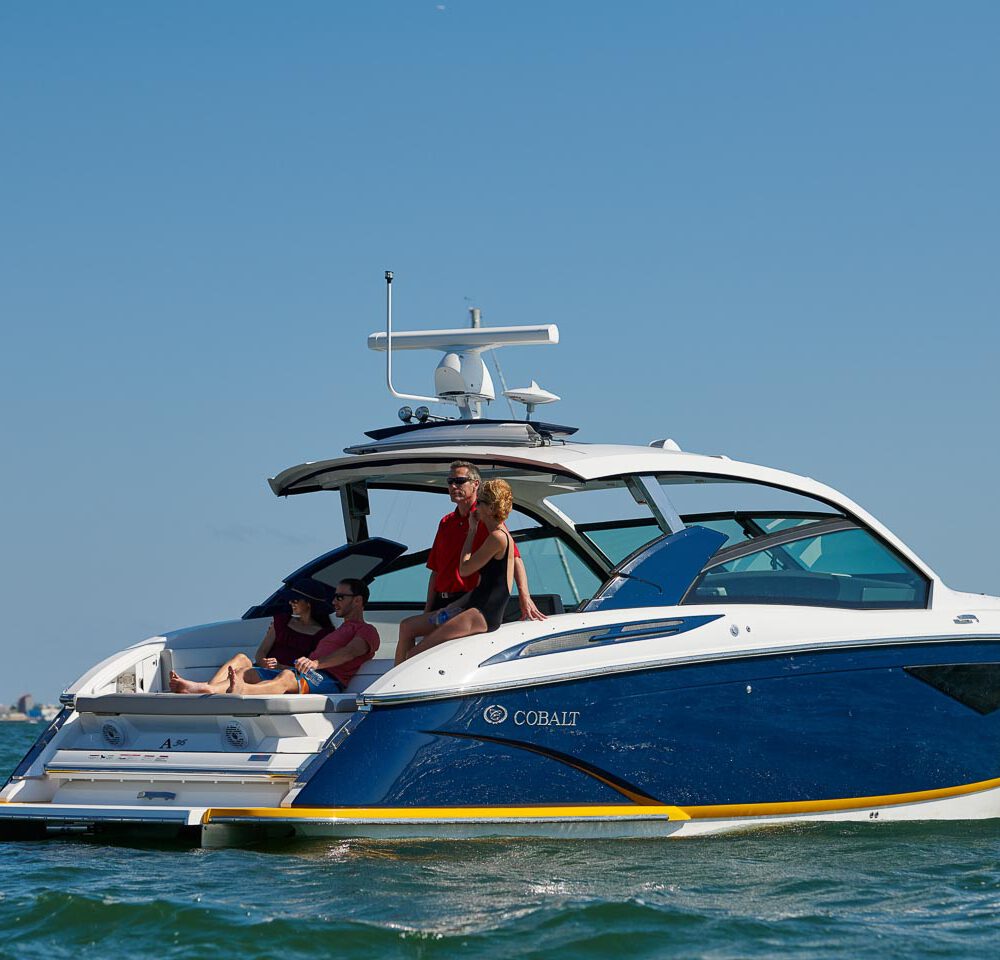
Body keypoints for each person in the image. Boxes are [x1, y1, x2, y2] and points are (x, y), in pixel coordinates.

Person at [394, 461, 544, 665]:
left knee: (420, 655)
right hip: (451, 601)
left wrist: (525, 597)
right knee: (407, 627)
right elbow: (436, 570)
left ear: (475, 485)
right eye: (450, 481)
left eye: (459, 481)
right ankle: (392, 680)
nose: (453, 486)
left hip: (471, 602)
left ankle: (405, 680)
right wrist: (429, 608)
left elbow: (514, 560)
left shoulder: (490, 524)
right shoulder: (446, 522)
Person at [169, 579, 379, 695]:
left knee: (286, 677)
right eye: (334, 597)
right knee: (247, 671)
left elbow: (350, 652)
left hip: (329, 680)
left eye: (340, 597)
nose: (334, 602)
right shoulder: (336, 631)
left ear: (358, 601)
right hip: (305, 673)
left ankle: (242, 691)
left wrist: (315, 663)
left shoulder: (367, 631)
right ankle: (206, 689)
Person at [400, 479, 516, 660]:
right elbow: (482, 585)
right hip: (473, 606)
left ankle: (402, 678)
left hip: (483, 614)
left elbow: (464, 569)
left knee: (415, 655)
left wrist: (472, 531)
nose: (476, 507)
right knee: (407, 626)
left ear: (490, 508)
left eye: (480, 503)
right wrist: (453, 606)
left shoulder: (498, 537)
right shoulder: (495, 535)